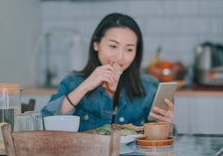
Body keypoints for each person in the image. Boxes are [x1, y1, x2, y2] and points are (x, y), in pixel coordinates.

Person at [41, 13, 176, 133]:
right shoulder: (72, 82)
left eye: (129, 49)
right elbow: (45, 121)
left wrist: (166, 124)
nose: (120, 57)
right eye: (113, 46)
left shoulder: (149, 87)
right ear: (96, 45)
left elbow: (163, 138)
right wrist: (86, 86)